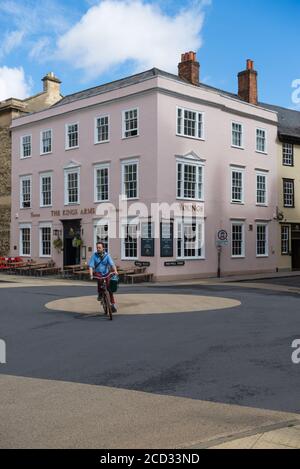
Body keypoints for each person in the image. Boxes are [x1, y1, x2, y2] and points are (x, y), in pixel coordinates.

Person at [88, 242, 118, 313]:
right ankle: (100, 294)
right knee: (100, 281)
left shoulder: (107, 255)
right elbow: (91, 266)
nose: (98, 249)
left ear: (103, 248)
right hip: (98, 273)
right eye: (97, 247)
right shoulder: (94, 256)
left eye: (99, 247)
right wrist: (91, 274)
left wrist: (115, 271)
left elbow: (112, 264)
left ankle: (112, 304)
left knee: (109, 288)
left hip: (106, 273)